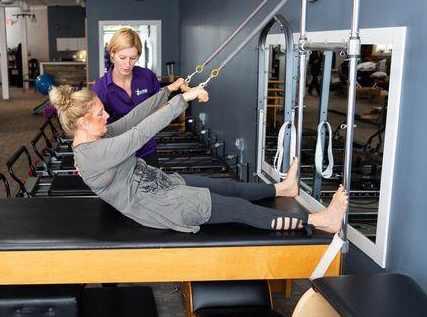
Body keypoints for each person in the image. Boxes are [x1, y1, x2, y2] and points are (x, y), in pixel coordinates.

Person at [49, 80, 348, 235]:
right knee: (239, 208)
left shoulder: (98, 135)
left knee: (229, 186)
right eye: (100, 113)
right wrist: (183, 100)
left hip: (160, 183)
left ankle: (283, 189)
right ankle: (320, 221)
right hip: (157, 205)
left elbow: (131, 118)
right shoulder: (91, 155)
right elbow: (139, 134)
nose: (107, 115)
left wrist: (167, 91)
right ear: (83, 123)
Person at [92, 28, 161, 167]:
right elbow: (92, 127)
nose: (127, 64)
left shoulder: (147, 77)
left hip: (147, 149)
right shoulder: (100, 88)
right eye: (122, 57)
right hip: (118, 154)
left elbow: (160, 106)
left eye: (133, 58)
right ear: (112, 54)